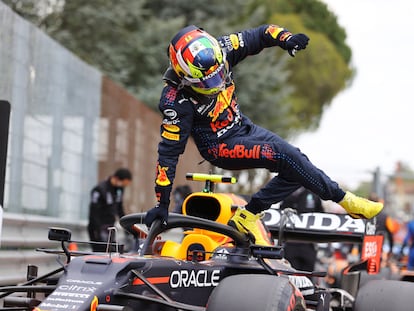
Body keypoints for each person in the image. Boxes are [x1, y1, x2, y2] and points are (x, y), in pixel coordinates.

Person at [144, 24, 383, 245]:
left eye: (220, 74)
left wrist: (286, 39)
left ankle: (247, 215)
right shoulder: (175, 101)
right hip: (219, 145)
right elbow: (168, 154)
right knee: (284, 156)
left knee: (297, 163)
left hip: (243, 126)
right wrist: (162, 204)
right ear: (185, 77)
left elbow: (261, 34)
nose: (217, 84)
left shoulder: (224, 48)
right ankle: (345, 200)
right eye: (207, 82)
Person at [88, 168, 132, 251]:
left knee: (113, 252)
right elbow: (93, 213)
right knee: (101, 253)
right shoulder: (100, 190)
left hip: (110, 228)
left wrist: (127, 228)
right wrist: (97, 232)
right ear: (117, 178)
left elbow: (120, 210)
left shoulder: (119, 190)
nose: (123, 186)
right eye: (123, 184)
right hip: (97, 228)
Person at [280, 187, 323, 271]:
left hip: (309, 244)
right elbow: (281, 213)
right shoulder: (287, 193)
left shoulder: (313, 194)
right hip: (290, 243)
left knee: (307, 275)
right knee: (291, 274)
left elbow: (321, 215)